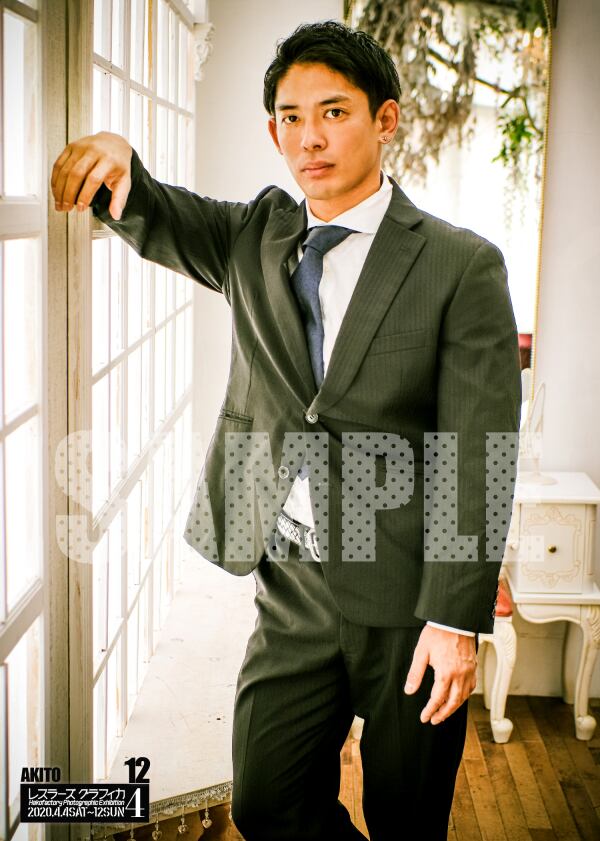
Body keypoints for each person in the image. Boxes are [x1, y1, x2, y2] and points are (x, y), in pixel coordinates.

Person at [51, 20, 521, 841]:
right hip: (293, 580)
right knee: (266, 800)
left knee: (408, 820)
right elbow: (155, 210)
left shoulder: (460, 263)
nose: (311, 137)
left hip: (408, 595)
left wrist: (455, 620)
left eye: (334, 112)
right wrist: (120, 158)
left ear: (384, 119)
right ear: (274, 132)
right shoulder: (254, 234)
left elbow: (475, 448)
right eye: (291, 118)